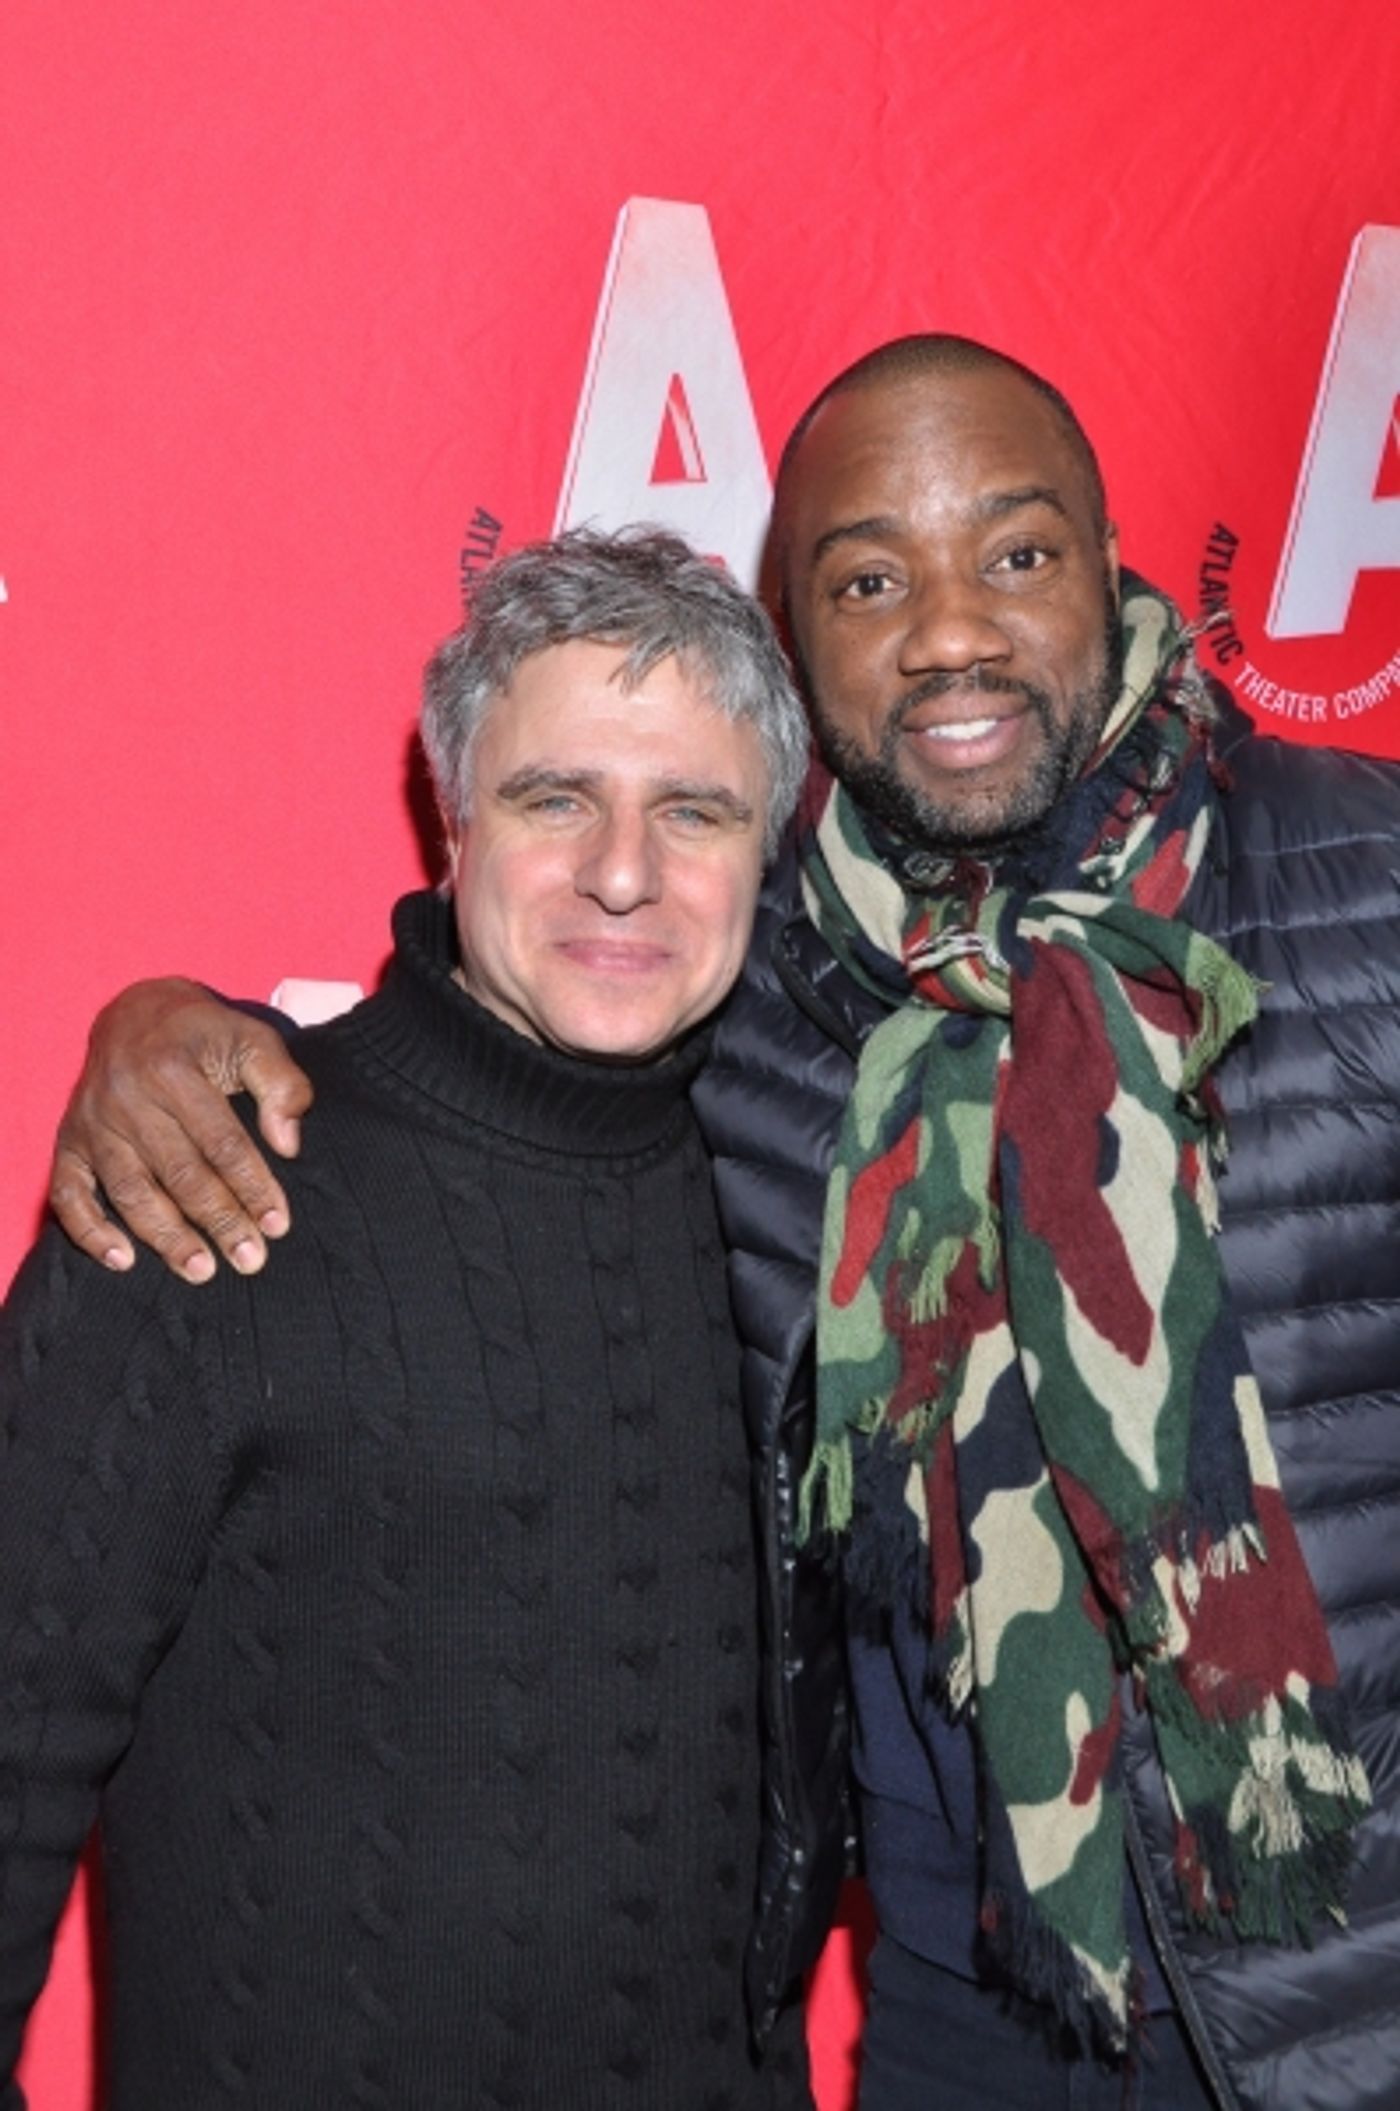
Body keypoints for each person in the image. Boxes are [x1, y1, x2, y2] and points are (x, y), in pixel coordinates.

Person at [44, 339, 1400, 2111]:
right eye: (867, 579)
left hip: (1338, 1982)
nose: (951, 633)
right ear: (798, 642)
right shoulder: (760, 992)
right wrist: (168, 1027)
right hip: (958, 2002)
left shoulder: (1362, 887)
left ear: (1110, 557)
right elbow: (503, 1021)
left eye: (1016, 553)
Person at [0, 527, 825, 2109]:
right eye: (555, 796)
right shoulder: (208, 1180)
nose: (624, 870)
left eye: (694, 811)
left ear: (770, 847)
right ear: (453, 819)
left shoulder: (802, 1184)